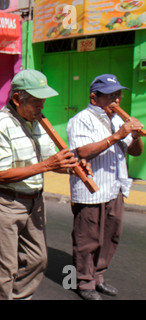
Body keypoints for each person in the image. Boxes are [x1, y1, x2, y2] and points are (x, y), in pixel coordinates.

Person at [0, 69, 87, 300]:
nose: (41, 107)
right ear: (17, 99)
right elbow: (1, 175)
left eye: (43, 101)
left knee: (37, 259)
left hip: (34, 201)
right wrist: (47, 165)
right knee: (4, 269)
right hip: (4, 203)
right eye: (36, 101)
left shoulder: (36, 122)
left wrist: (72, 168)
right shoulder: (1, 123)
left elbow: (52, 160)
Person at [66, 74, 144, 300]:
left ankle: (99, 276)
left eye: (118, 95)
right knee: (87, 239)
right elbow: (82, 151)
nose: (117, 100)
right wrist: (117, 136)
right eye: (111, 96)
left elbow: (135, 151)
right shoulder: (81, 119)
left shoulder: (119, 120)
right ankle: (82, 282)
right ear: (94, 97)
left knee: (111, 237)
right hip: (91, 189)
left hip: (115, 188)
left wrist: (135, 136)